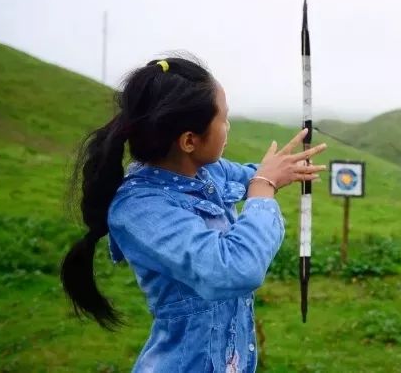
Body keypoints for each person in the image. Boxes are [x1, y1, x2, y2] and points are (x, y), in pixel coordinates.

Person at [60, 56, 327, 372]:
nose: (228, 127)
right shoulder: (140, 209)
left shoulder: (205, 171)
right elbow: (234, 269)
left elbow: (248, 177)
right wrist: (264, 187)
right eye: (223, 119)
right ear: (189, 140)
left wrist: (277, 172)